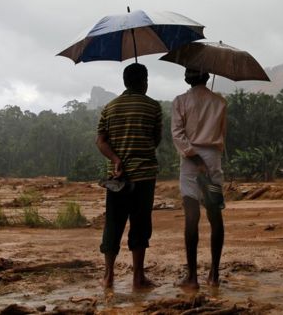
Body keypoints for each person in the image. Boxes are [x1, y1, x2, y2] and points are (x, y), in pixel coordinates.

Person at [95, 62, 162, 290]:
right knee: (140, 226)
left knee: (113, 225)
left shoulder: (109, 108)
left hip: (117, 179)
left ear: (125, 82)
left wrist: (116, 160)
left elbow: (101, 142)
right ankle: (138, 279)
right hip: (144, 177)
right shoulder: (153, 107)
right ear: (144, 81)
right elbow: (156, 140)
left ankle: (108, 277)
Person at [171, 68, 227, 289]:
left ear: (187, 78)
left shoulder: (180, 101)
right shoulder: (220, 102)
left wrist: (194, 157)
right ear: (207, 77)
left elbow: (177, 134)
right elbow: (223, 134)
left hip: (189, 161)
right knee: (215, 214)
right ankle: (214, 274)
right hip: (213, 159)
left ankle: (192, 277)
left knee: (191, 217)